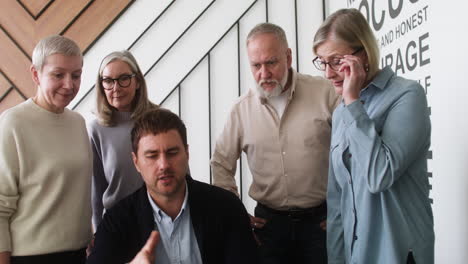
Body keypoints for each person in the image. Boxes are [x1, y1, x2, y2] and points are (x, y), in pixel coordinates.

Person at [312, 8, 434, 264]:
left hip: (399, 254)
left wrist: (353, 101)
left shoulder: (407, 95)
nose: (327, 73)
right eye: (322, 62)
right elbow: (337, 200)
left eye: (336, 61)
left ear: (363, 54)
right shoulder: (341, 111)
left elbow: (380, 175)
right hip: (356, 254)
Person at [211, 22, 339, 263]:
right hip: (269, 227)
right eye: (256, 66)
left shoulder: (325, 93)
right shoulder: (241, 110)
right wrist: (235, 214)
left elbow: (352, 153)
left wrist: (343, 207)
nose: (264, 73)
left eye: (271, 62)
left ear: (288, 57)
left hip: (321, 223)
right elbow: (220, 163)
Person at [87, 108, 258, 264]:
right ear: (136, 162)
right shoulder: (117, 221)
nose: (164, 165)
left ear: (187, 154)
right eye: (152, 156)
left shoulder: (227, 208)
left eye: (172, 153)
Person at [0, 35, 92, 264]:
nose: (69, 84)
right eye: (58, 75)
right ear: (35, 74)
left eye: (76, 75)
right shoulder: (13, 123)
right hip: (30, 258)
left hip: (79, 253)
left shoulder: (78, 123)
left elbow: (77, 191)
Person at [88, 50, 157, 231]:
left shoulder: (160, 119)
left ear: (138, 82)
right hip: (117, 224)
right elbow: (96, 189)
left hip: (160, 220)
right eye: (108, 81)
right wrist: (97, 232)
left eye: (124, 78)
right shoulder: (96, 129)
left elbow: (182, 177)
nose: (116, 88)